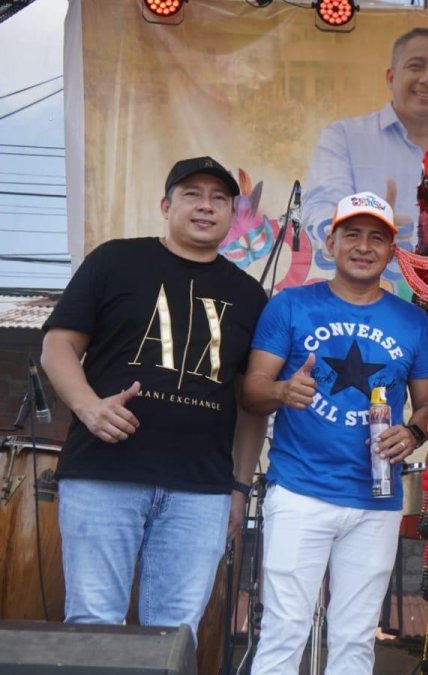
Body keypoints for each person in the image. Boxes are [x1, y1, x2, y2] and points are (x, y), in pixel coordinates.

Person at [40, 156, 268, 640]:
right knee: (93, 623)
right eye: (192, 194)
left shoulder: (249, 295)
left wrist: (240, 488)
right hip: (104, 475)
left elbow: (252, 403)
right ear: (166, 205)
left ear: (233, 214)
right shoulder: (115, 260)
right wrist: (88, 405)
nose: (205, 207)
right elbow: (57, 346)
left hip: (201, 490)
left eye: (219, 198)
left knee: (174, 635)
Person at [244, 191, 428, 674]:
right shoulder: (289, 305)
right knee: (284, 630)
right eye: (351, 233)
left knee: (355, 639)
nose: (363, 246)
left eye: (377, 237)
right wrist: (283, 391)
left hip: (376, 501)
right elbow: (251, 391)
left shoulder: (414, 321)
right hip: (299, 493)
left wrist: (413, 435)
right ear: (329, 242)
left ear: (392, 252)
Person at [302, 27, 428, 291]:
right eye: (416, 66)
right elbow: (319, 213)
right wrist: (371, 223)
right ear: (391, 77)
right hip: (367, 304)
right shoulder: (344, 137)